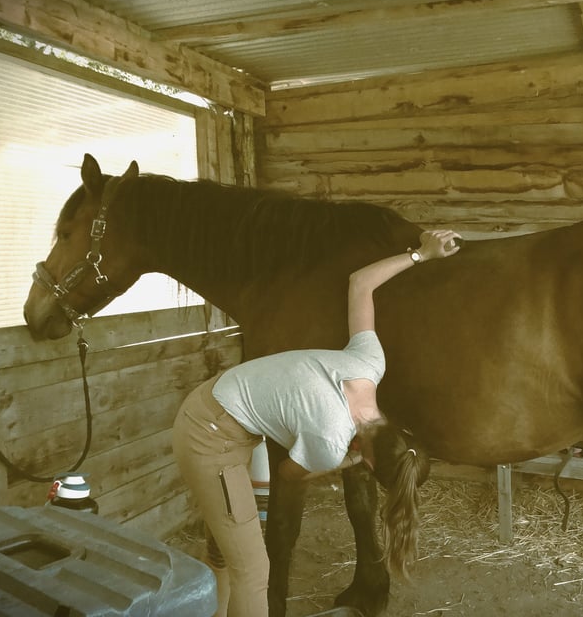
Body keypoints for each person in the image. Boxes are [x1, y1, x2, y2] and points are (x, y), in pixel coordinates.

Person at [172, 229, 461, 617]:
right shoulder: (329, 443)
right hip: (210, 434)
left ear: (401, 432)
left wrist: (421, 255)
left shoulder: (369, 363)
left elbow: (361, 283)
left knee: (224, 550)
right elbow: (288, 474)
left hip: (221, 411)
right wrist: (346, 460)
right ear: (369, 464)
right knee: (254, 571)